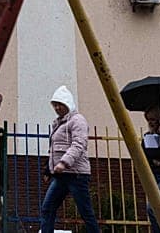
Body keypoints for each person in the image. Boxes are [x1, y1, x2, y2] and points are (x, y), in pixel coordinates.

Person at [39, 86, 100, 233]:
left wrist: (64, 162)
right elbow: (54, 149)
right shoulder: (59, 123)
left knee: (85, 212)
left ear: (68, 104)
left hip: (76, 174)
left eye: (60, 104)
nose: (57, 108)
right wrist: (48, 169)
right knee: (47, 208)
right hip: (61, 175)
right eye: (55, 105)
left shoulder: (77, 120)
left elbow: (79, 144)